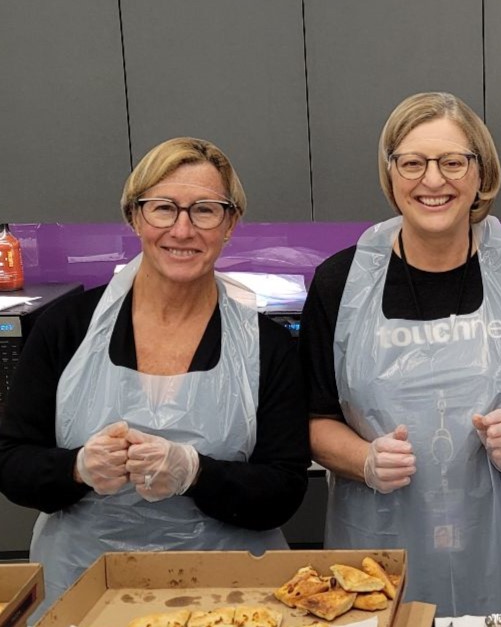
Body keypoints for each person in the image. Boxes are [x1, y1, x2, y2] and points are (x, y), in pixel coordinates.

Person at [0, 137, 309, 613]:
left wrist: (196, 472)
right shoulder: (67, 328)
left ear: (230, 223)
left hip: (227, 599)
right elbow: (11, 461)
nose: (182, 230)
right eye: (163, 208)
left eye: (205, 210)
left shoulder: (266, 346)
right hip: (84, 593)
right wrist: (77, 468)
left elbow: (284, 490)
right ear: (134, 216)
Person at [300, 92, 501, 617]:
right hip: (378, 552)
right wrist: (365, 460)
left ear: (480, 172)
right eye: (413, 163)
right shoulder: (340, 282)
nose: (432, 180)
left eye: (452, 162)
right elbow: (314, 418)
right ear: (391, 172)